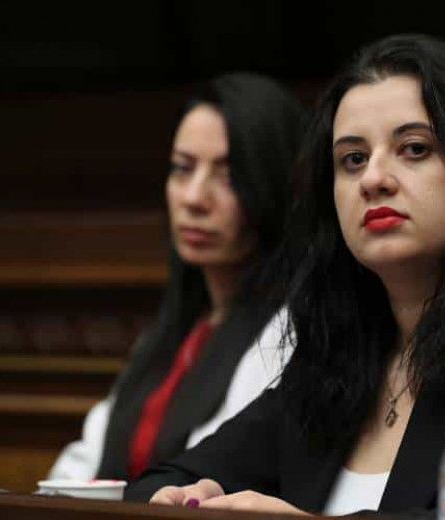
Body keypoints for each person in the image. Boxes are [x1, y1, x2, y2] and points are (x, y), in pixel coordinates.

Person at [124, 34, 445, 519]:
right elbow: (160, 481)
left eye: (414, 149)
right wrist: (185, 501)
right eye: (352, 159)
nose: (372, 179)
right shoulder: (338, 353)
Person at [48, 72, 307, 481]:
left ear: (274, 185)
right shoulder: (174, 332)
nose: (193, 198)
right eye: (182, 168)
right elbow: (81, 464)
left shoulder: (289, 333)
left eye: (228, 176)